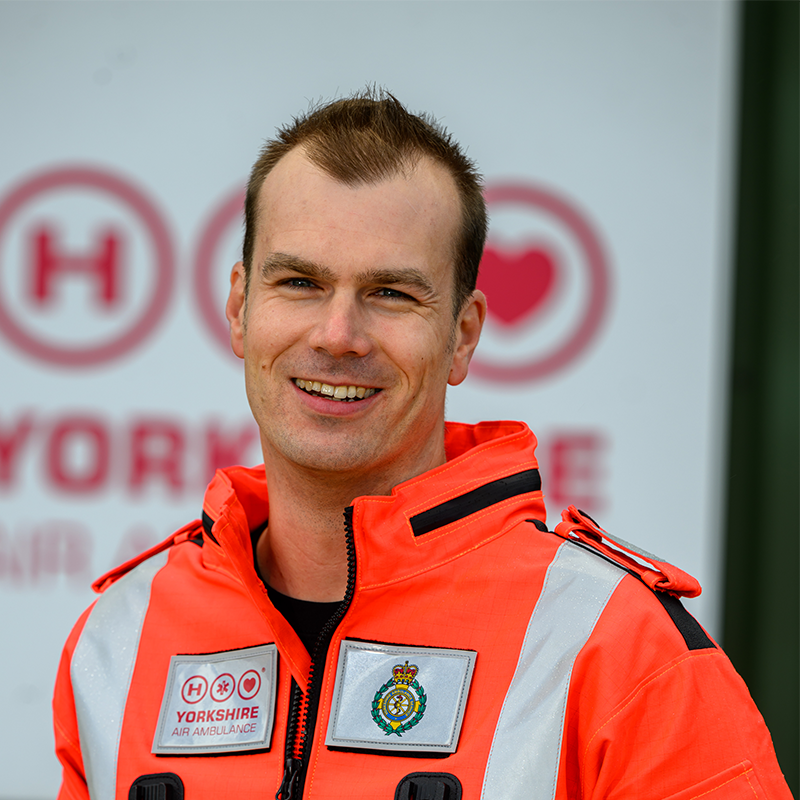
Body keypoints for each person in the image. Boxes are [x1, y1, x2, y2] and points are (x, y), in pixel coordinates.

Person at [53, 90, 790, 800]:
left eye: (391, 294)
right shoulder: (119, 637)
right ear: (241, 309)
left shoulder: (614, 642)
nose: (337, 336)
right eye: (301, 282)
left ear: (463, 334)